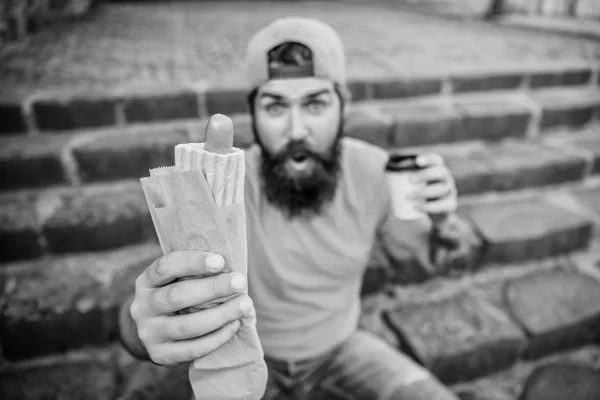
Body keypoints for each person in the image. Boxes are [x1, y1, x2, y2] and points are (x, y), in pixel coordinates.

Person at [118, 17, 481, 400]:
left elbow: (435, 258)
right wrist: (145, 325)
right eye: (275, 107)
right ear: (253, 114)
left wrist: (443, 222)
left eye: (315, 104)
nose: (296, 130)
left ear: (343, 106)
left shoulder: (374, 171)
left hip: (343, 349)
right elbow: (147, 313)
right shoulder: (224, 189)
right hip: (246, 353)